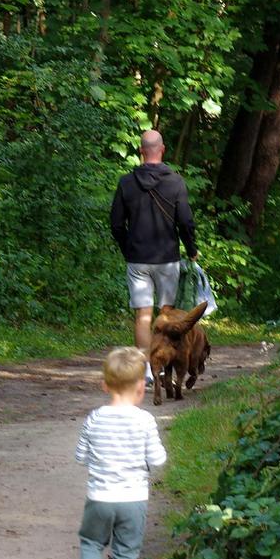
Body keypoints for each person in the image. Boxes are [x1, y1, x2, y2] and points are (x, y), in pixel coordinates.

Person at [71, 346, 167, 559]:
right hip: (134, 499)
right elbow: (158, 459)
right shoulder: (146, 421)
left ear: (104, 385)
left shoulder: (95, 418)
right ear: (141, 387)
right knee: (127, 552)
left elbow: (80, 456)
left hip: (100, 497)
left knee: (91, 542)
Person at [110, 130, 198, 384]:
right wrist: (191, 249)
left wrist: (129, 250)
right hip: (168, 258)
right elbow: (185, 222)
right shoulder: (176, 182)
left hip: (138, 259)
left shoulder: (126, 182)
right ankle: (165, 366)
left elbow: (116, 224)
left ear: (140, 151)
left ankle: (147, 371)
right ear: (163, 149)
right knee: (167, 317)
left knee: (143, 316)